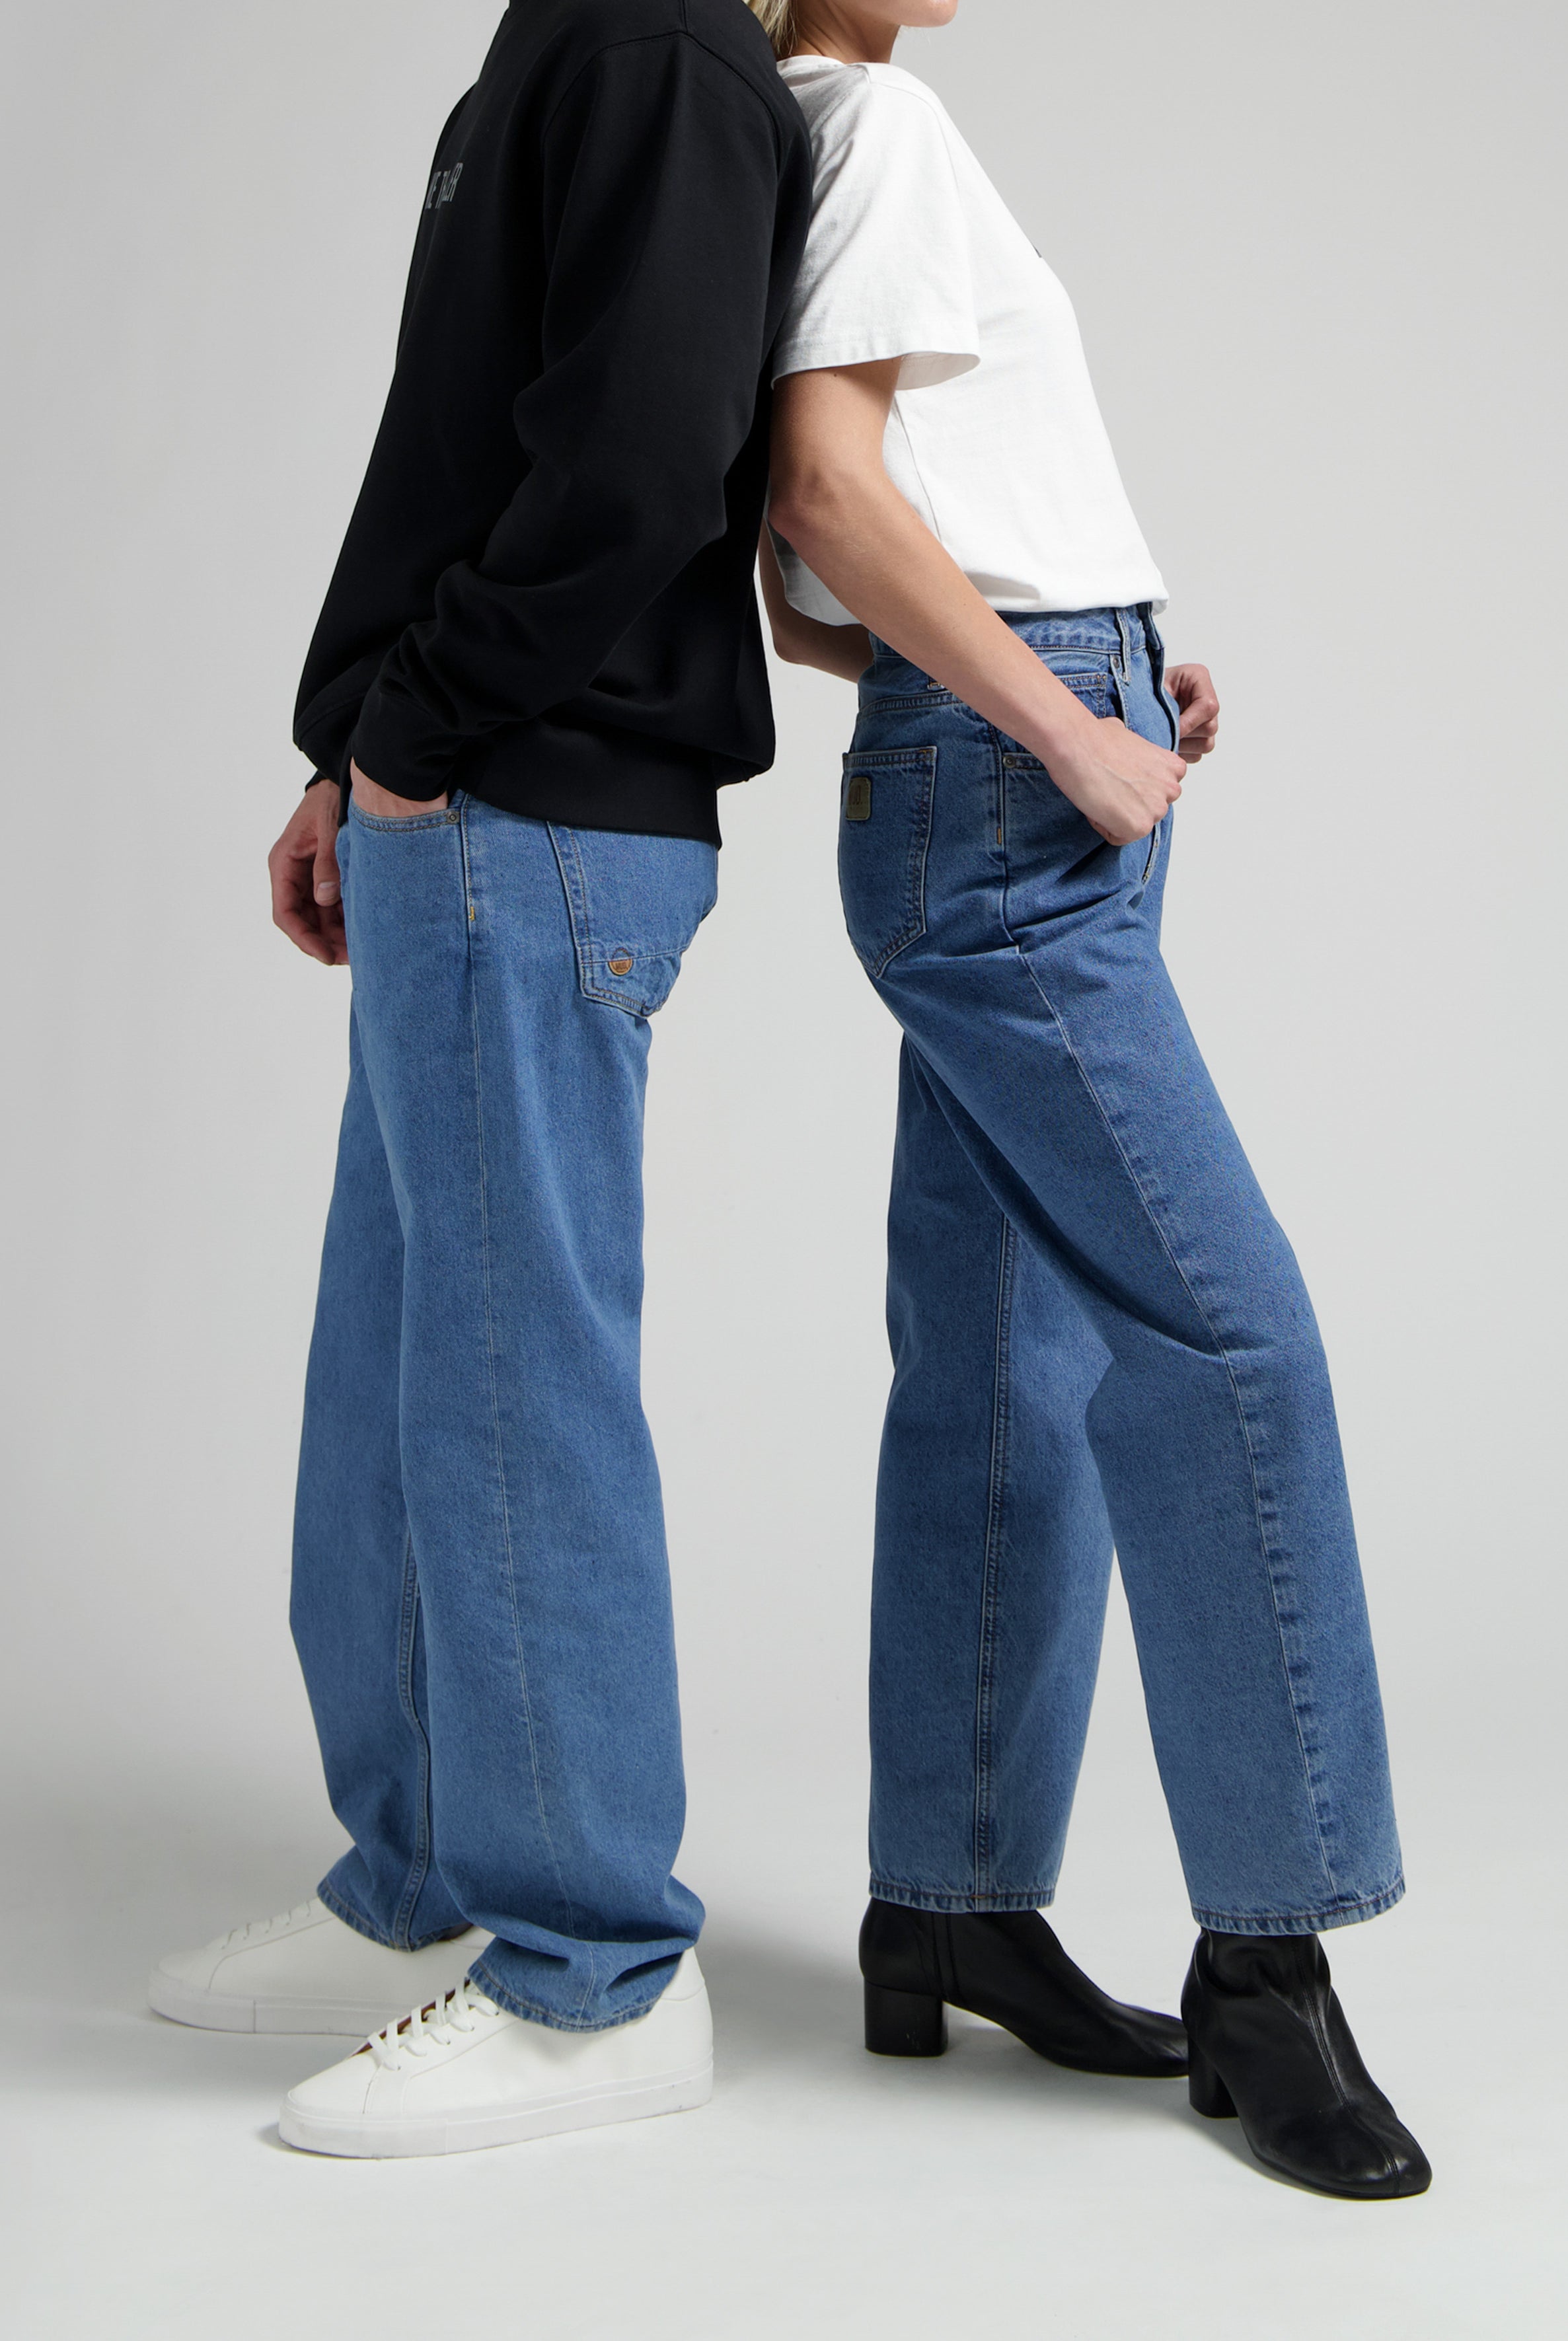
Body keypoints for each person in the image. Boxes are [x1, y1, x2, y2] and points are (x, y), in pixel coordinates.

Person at [754, 0, 1430, 2200]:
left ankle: (944, 1892)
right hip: (1018, 832)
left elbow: (820, 583)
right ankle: (1270, 1959)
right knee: (1230, 1343)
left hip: (1005, 789)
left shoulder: (794, 130)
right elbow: (822, 495)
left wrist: (1105, 663)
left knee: (1002, 1361)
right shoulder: (874, 115)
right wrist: (1068, 721)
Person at [147, 0, 811, 2160]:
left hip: (531, 811)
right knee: (405, 1367)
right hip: (457, 801)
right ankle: (420, 1881)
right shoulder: (565, 41)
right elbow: (479, 448)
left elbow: (638, 458)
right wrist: (355, 758)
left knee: (515, 1382)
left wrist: (417, 735)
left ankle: (601, 1973)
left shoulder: (664, 56)